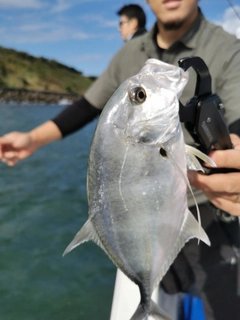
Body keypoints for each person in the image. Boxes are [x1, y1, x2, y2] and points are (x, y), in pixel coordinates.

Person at [0, 0, 240, 319]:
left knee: (225, 306)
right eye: (140, 96)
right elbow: (87, 107)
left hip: (212, 208)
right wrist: (32, 139)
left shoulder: (228, 49)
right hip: (142, 223)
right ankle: (147, 297)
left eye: (139, 96)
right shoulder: (131, 52)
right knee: (157, 288)